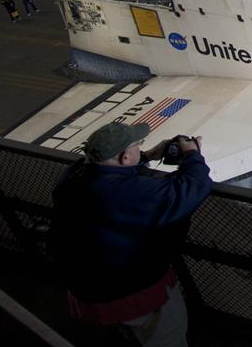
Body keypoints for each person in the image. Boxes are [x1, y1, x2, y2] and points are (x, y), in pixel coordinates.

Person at [51, 122, 212, 347]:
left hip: (89, 290)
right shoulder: (127, 193)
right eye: (138, 145)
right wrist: (193, 155)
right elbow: (193, 186)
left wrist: (146, 155)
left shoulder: (73, 176)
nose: (139, 147)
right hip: (132, 293)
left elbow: (112, 175)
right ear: (125, 157)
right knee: (167, 336)